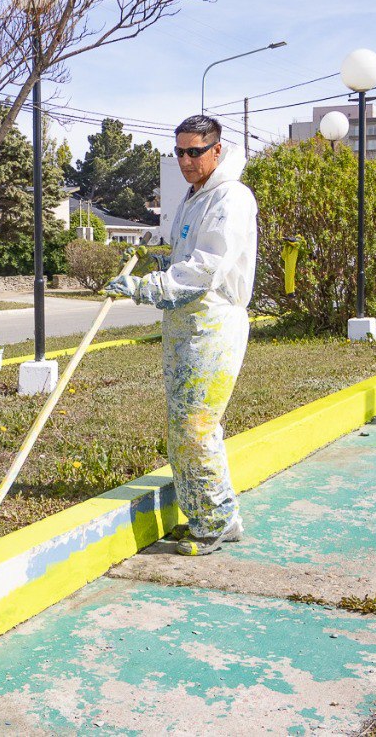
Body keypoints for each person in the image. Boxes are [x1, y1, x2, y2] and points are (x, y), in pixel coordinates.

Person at [103, 115, 257, 556]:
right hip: (183, 325)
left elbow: (207, 267)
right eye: (180, 152)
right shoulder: (193, 198)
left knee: (196, 427)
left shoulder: (230, 197)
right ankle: (200, 514)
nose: (186, 160)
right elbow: (181, 261)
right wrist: (154, 273)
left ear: (217, 149)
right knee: (180, 426)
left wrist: (146, 287)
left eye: (195, 151)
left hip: (213, 325)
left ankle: (218, 521)